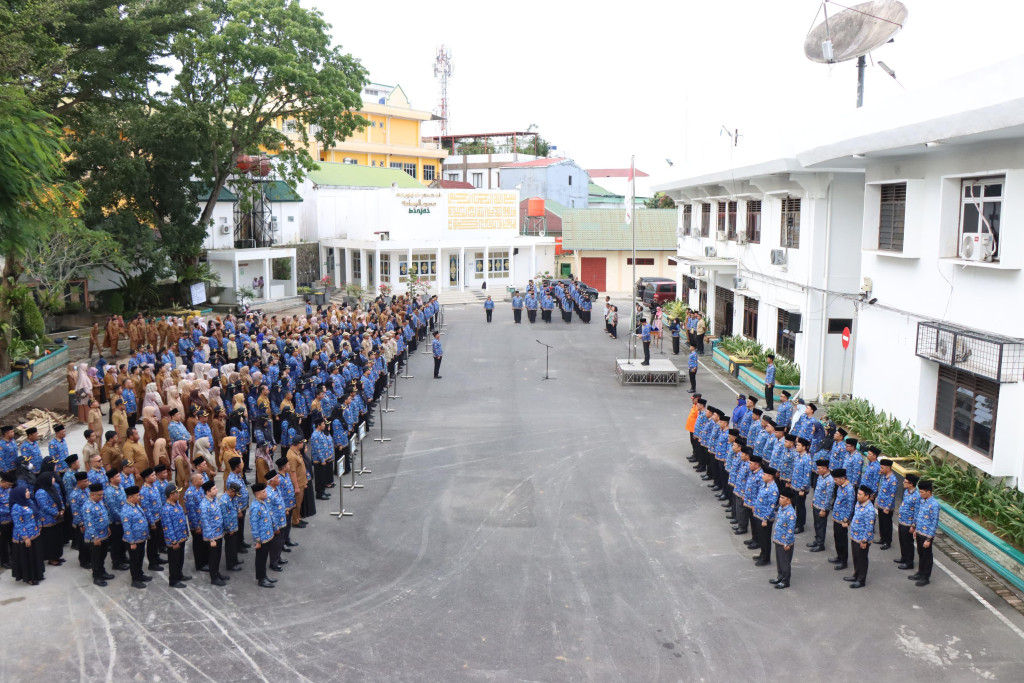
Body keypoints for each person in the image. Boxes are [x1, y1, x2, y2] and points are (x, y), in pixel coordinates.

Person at [10, 485, 44, 585]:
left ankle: (38, 574)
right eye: (26, 492)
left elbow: (36, 515)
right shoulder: (16, 507)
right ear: (20, 494)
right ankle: (30, 578)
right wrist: (25, 538)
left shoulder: (29, 502)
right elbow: (18, 524)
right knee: (27, 558)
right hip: (25, 536)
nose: (28, 493)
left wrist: (39, 526)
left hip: (34, 533)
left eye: (28, 491)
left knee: (35, 555)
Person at [82, 482, 114, 586]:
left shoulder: (99, 502)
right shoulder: (87, 507)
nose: (102, 496)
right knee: (96, 557)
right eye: (99, 495)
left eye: (102, 494)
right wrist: (95, 537)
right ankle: (97, 576)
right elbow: (89, 524)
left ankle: (102, 571)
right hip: (95, 537)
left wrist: (107, 527)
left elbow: (104, 515)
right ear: (92, 495)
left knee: (103, 555)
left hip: (104, 534)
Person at [121, 485, 151, 588]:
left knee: (140, 557)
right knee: (134, 560)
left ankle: (140, 574)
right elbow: (127, 528)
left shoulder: (136, 505)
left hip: (141, 538)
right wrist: (131, 542)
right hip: (133, 540)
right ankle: (135, 579)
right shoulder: (126, 510)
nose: (139, 497)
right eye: (137, 496)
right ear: (130, 497)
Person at [847, 485, 876, 588]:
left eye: (860, 494)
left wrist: (864, 541)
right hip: (855, 536)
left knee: (862, 559)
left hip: (862, 539)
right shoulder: (859, 504)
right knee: (855, 557)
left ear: (867, 496)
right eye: (858, 493)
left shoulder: (869, 510)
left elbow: (869, 527)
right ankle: (856, 575)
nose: (857, 496)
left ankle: (861, 580)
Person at [160, 484, 189, 588]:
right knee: (174, 561)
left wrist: (186, 533)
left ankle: (179, 575)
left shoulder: (177, 504)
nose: (179, 494)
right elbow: (168, 527)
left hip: (181, 537)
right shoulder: (166, 509)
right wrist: (173, 541)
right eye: (177, 492)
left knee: (180, 558)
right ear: (171, 495)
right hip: (174, 540)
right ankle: (173, 580)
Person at [199, 480, 227, 586]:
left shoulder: (214, 500)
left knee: (218, 555)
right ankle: (213, 578)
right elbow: (205, 524)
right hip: (212, 536)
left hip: (219, 533)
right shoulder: (204, 505)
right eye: (214, 489)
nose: (217, 490)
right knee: (213, 557)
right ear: (207, 492)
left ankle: (217, 573)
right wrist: (211, 539)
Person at [249, 482, 276, 588]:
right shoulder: (255, 507)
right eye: (264, 491)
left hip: (268, 535)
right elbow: (254, 526)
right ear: (258, 494)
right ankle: (261, 579)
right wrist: (257, 541)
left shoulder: (263, 502)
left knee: (264, 557)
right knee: (260, 558)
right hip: (262, 538)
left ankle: (264, 575)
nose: (266, 493)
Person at [771, 488, 797, 589]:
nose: (780, 499)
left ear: (788, 500)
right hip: (778, 539)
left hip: (785, 542)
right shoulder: (782, 509)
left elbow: (790, 530)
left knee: (785, 562)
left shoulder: (790, 513)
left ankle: (786, 581)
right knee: (779, 560)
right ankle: (780, 576)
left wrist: (787, 543)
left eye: (782, 498)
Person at [829, 468, 854, 571]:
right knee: (837, 538)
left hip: (842, 519)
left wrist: (846, 520)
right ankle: (839, 556)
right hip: (837, 517)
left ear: (843, 478)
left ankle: (843, 561)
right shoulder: (840, 487)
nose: (835, 481)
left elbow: (850, 506)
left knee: (842, 540)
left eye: (836, 479)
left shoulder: (849, 489)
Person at [896, 473, 921, 571]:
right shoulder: (906, 491)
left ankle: (909, 562)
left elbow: (917, 511)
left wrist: (914, 525)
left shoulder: (917, 496)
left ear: (911, 484)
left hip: (909, 523)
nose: (903, 483)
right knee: (902, 540)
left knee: (908, 543)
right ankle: (904, 557)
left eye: (905, 482)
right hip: (902, 520)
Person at [875, 458, 898, 550]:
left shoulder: (893, 480)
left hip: (887, 507)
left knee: (887, 524)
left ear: (888, 468)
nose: (881, 469)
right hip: (881, 504)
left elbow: (892, 495)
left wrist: (888, 507)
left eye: (882, 468)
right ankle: (882, 538)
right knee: (881, 522)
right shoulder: (884, 477)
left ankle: (887, 541)